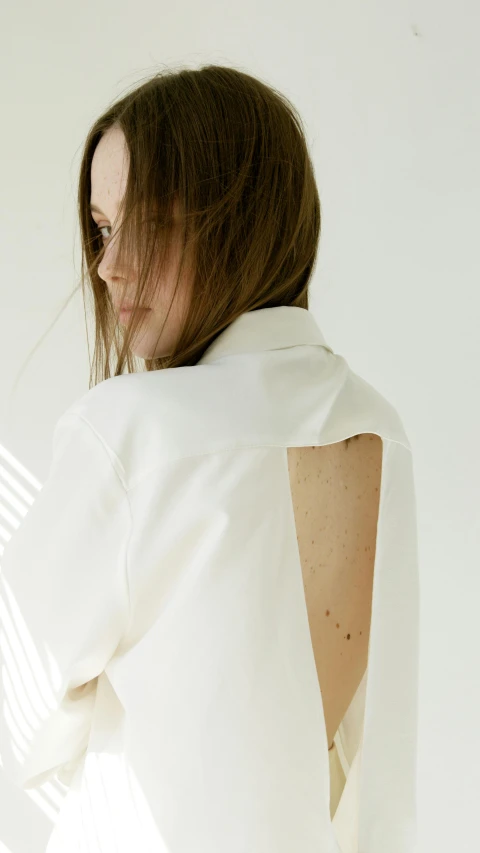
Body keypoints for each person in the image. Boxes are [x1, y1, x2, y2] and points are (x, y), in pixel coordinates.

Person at [0, 65, 419, 853]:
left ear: (245, 217)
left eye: (147, 221)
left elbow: (15, 694)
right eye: (101, 225)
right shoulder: (381, 431)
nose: (108, 264)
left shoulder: (132, 433)